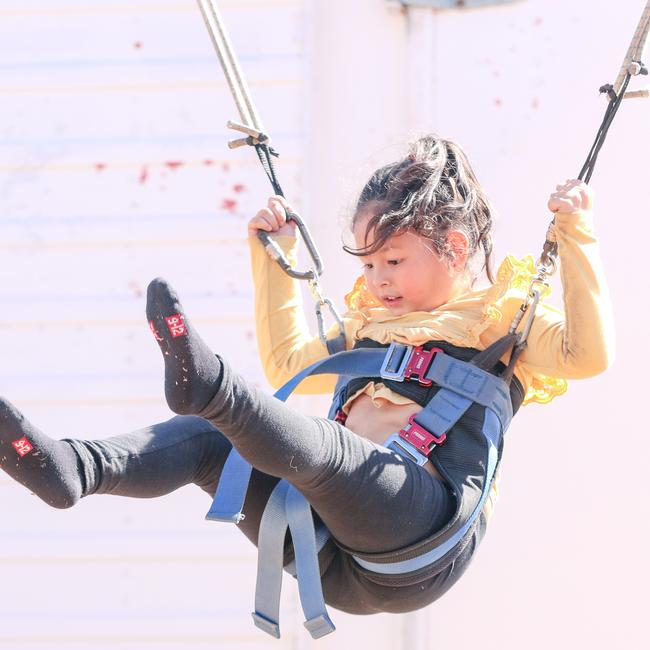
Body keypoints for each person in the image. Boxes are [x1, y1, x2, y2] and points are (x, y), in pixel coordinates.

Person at [0, 135, 613, 616]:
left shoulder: (498, 319)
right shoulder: (369, 321)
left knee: (328, 453)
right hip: (326, 553)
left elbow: (587, 355)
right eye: (368, 264)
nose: (377, 281)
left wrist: (577, 235)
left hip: (421, 535)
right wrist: (277, 257)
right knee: (215, 448)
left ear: (453, 248)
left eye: (393, 261)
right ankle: (74, 468)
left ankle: (211, 389)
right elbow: (291, 364)